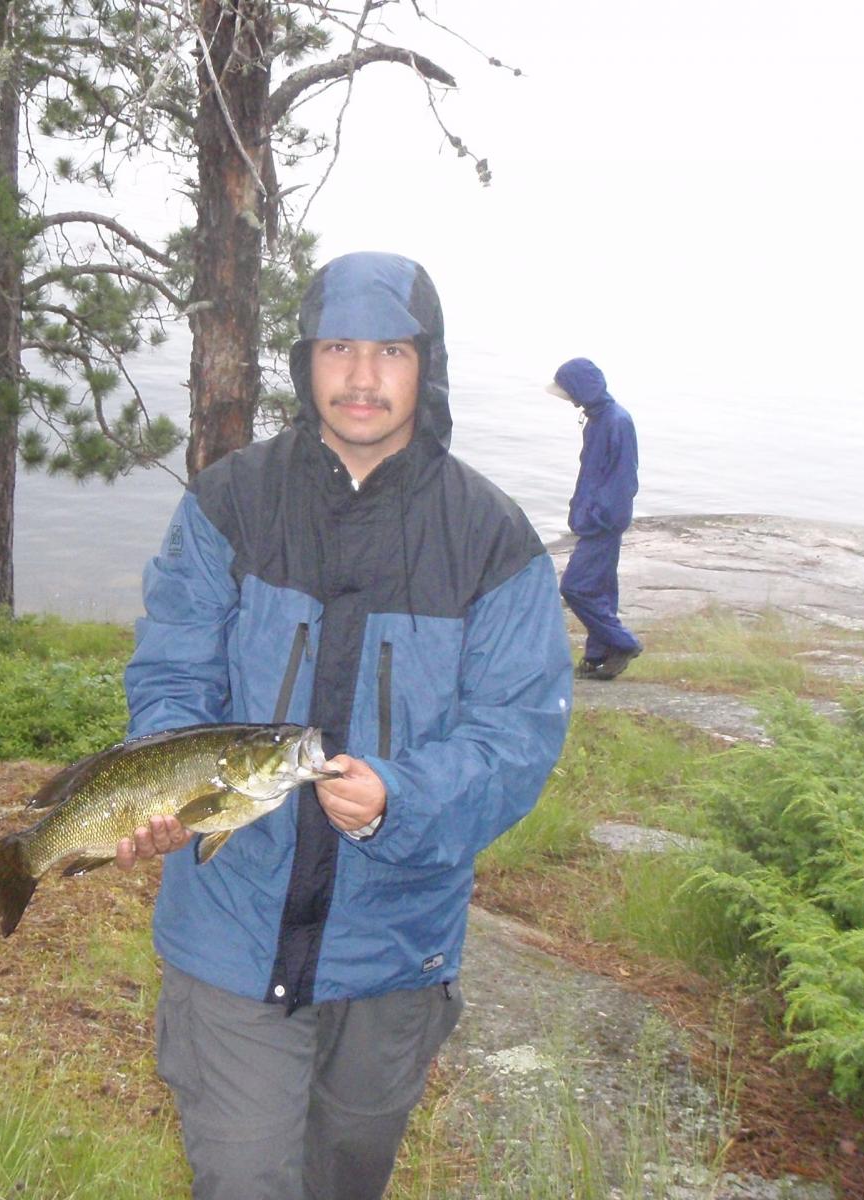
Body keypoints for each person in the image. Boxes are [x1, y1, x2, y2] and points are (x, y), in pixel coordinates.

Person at [118, 251, 573, 1200]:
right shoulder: (228, 502)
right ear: (304, 361)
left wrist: (398, 799)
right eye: (338, 347)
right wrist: (166, 789)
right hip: (230, 929)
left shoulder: (492, 540)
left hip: (395, 948)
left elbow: (517, 735)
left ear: (427, 365)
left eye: (391, 351)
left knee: (346, 1181)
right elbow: (172, 675)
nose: (363, 376)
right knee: (243, 1177)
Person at [549, 357, 642, 680]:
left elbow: (624, 478)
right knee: (600, 589)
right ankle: (598, 655)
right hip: (595, 519)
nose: (568, 398)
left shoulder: (616, 421)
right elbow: (592, 473)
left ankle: (623, 643)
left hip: (604, 522)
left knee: (574, 587)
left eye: (569, 391)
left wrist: (599, 515)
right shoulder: (597, 419)